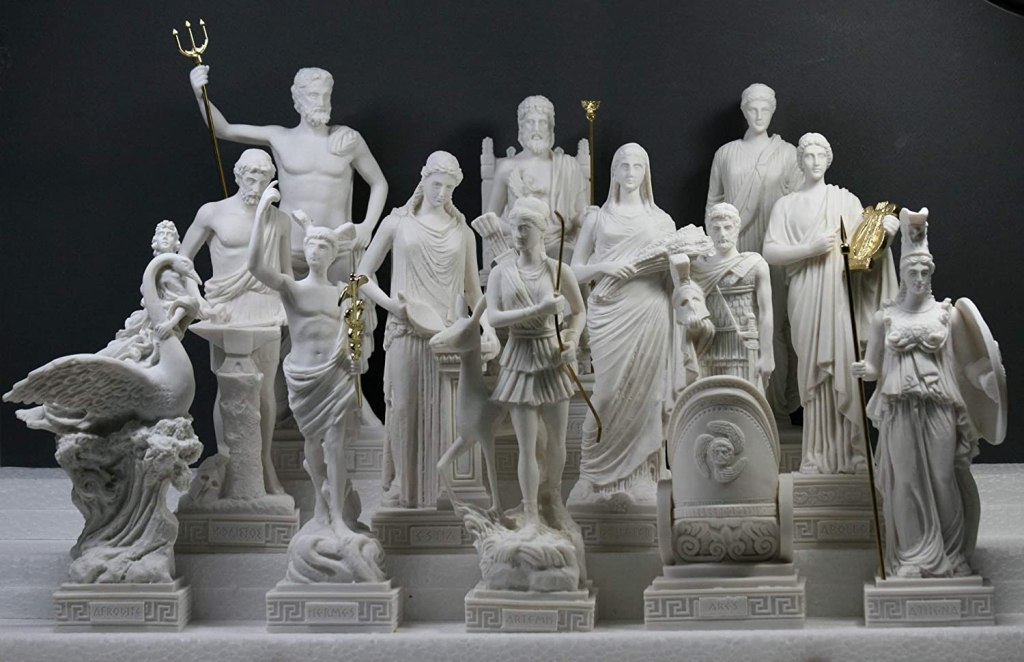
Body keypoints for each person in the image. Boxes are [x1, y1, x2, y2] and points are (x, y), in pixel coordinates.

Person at [189, 64, 387, 426]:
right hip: (289, 250)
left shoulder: (347, 140)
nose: (320, 101)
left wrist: (366, 227)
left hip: (338, 250)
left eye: (325, 95)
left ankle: (354, 408)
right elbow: (224, 129)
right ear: (297, 99)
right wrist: (200, 94)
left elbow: (379, 183)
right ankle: (281, 407)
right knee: (281, 329)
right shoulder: (279, 137)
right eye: (313, 95)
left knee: (347, 325)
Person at [357, 151, 498, 508]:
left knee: (447, 412)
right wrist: (393, 306)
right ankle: (403, 486)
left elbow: (472, 290)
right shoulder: (397, 223)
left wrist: (488, 328)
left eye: (449, 187)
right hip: (405, 332)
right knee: (403, 408)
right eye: (437, 184)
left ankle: (443, 489)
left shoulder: (462, 232)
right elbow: (361, 276)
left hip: (448, 337)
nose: (442, 193)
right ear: (423, 178)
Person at [852, 209, 983, 578]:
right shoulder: (884, 319)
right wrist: (864, 370)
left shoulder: (945, 315)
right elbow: (874, 366)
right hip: (898, 407)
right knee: (906, 481)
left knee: (943, 476)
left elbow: (968, 363)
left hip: (939, 404)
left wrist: (987, 378)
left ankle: (953, 554)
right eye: (914, 272)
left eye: (926, 272)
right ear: (903, 275)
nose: (921, 278)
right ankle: (912, 557)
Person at [763, 133, 897, 474]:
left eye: (820, 155)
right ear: (799, 161)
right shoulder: (786, 205)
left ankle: (854, 452)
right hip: (805, 293)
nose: (814, 161)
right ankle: (815, 455)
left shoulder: (845, 201)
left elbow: (864, 253)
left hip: (838, 291)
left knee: (843, 365)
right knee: (812, 371)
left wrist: (885, 234)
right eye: (807, 155)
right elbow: (770, 251)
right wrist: (809, 249)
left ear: (828, 159)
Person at [247, 182, 362, 537]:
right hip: (303, 374)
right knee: (312, 442)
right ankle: (320, 503)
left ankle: (339, 516)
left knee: (336, 444)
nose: (315, 251)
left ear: (333, 254)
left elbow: (352, 335)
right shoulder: (292, 287)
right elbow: (255, 266)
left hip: (336, 375)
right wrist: (262, 213)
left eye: (323, 246)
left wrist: (355, 359)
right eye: (311, 244)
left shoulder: (343, 293)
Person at [567, 143, 675, 507]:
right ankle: (592, 475)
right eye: (623, 166)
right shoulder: (598, 219)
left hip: (650, 310)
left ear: (646, 173)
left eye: (637, 166)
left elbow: (673, 274)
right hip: (609, 311)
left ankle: (644, 476)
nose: (630, 172)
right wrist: (605, 267)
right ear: (614, 172)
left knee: (648, 395)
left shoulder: (662, 221)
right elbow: (573, 270)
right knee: (607, 393)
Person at [179, 149, 291, 495]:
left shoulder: (279, 221)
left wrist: (295, 306)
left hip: (265, 306)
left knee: (265, 389)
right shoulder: (213, 213)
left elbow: (286, 275)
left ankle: (263, 463)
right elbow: (182, 260)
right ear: (238, 175)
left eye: (263, 178)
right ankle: (227, 458)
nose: (256, 185)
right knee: (226, 387)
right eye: (250, 177)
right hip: (225, 309)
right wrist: (196, 299)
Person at [486, 197, 586, 532]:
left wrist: (572, 338)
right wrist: (538, 310)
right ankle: (530, 511)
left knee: (557, 440)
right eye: (515, 227)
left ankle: (552, 499)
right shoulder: (501, 272)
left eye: (525, 227)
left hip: (552, 357)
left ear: (541, 230)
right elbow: (495, 317)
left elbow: (578, 311)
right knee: (526, 445)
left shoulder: (558, 271)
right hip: (519, 356)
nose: (518, 234)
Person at [706, 83, 802, 416]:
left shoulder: (787, 153)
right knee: (736, 323)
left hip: (775, 247)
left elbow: (798, 203)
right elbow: (713, 204)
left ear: (773, 111)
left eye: (765, 109)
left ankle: (778, 407)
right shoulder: (725, 154)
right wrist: (716, 250)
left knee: (776, 322)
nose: (759, 115)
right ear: (744, 111)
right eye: (752, 109)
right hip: (734, 245)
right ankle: (741, 404)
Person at [485, 95, 587, 261]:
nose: (536, 128)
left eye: (542, 122)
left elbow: (580, 213)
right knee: (511, 265)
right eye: (530, 122)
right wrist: (517, 230)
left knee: (568, 260)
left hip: (558, 244)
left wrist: (589, 217)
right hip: (519, 245)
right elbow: (489, 218)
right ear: (521, 127)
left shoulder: (569, 167)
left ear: (550, 128)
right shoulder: (507, 168)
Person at [691, 202, 774, 389]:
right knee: (709, 400)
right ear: (709, 231)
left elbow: (766, 313)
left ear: (737, 229)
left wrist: (767, 355)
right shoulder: (698, 268)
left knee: (743, 400)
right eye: (716, 228)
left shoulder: (755, 265)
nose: (722, 234)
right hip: (707, 346)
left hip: (743, 347)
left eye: (727, 227)